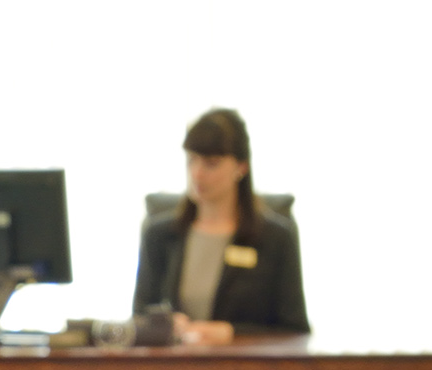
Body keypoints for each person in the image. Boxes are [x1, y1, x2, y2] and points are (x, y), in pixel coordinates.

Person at [131, 107, 310, 343]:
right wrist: (165, 325)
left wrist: (231, 333)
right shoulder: (159, 234)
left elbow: (294, 330)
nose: (197, 173)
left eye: (211, 163)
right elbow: (138, 320)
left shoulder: (276, 238)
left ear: (241, 167)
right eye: (191, 160)